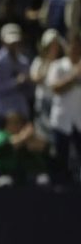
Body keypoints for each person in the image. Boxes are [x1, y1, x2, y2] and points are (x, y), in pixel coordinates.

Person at [46, 32, 81, 184]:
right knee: (61, 159)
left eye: (78, 47)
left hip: (79, 121)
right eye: (73, 47)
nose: (75, 50)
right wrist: (75, 76)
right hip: (61, 120)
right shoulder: (57, 66)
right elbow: (55, 88)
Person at [0, 23, 32, 125]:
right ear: (3, 41)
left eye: (16, 42)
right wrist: (15, 82)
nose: (13, 45)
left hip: (21, 113)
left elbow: (29, 92)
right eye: (10, 42)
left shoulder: (24, 62)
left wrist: (29, 82)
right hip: (2, 114)